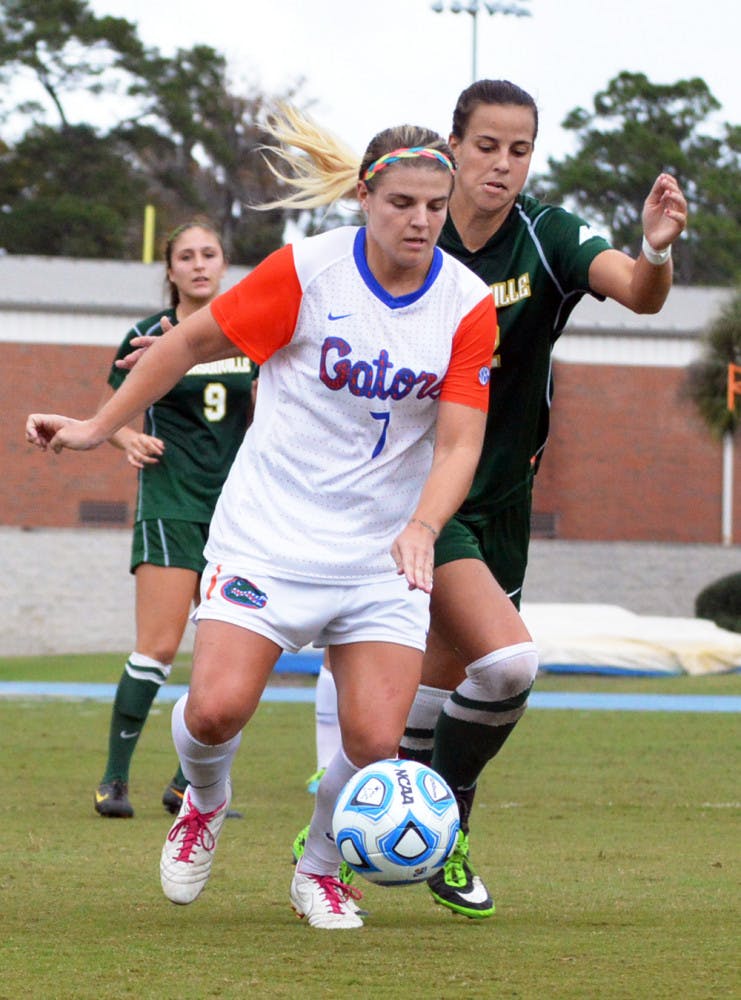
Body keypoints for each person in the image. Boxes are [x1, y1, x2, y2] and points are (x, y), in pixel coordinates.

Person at [25, 107, 498, 930]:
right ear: (364, 198)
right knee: (214, 710)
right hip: (269, 539)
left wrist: (422, 525)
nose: (421, 221)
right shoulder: (308, 272)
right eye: (402, 204)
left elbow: (459, 443)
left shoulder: (465, 302)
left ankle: (319, 871)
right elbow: (183, 345)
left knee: (374, 743)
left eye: (434, 205)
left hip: (380, 555)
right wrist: (99, 428)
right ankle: (204, 802)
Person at [306, 79, 689, 920]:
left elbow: (636, 290)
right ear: (453, 147)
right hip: (416, 503)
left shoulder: (547, 237)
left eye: (519, 150)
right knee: (508, 664)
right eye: (485, 146)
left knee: (434, 701)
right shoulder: (412, 232)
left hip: (504, 502)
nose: (501, 165)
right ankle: (428, 833)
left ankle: (350, 840)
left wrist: (655, 251)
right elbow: (311, 315)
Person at [93, 220, 256, 819]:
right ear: (170, 270)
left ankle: (188, 784)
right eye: (186, 256)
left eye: (209, 253)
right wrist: (127, 439)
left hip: (237, 516)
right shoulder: (149, 334)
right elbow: (110, 414)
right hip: (171, 504)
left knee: (229, 658)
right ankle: (113, 781)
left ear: (224, 263)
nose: (198, 264)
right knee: (159, 648)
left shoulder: (248, 332)